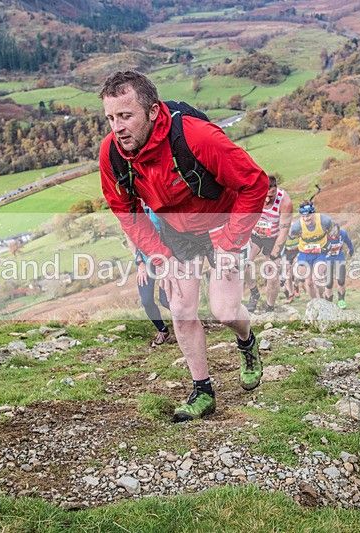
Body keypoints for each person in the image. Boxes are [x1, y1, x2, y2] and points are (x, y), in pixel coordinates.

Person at [99, 71, 268, 422]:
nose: (117, 127)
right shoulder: (112, 154)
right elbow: (124, 209)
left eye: (126, 116)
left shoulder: (197, 137)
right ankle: (202, 390)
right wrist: (158, 255)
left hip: (223, 223)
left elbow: (255, 183)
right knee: (181, 308)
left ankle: (247, 342)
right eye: (111, 118)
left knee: (224, 311)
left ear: (153, 112)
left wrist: (231, 240)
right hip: (176, 234)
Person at [244, 174, 293, 313]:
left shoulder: (285, 202)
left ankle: (270, 307)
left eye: (271, 196)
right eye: (265, 195)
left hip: (274, 238)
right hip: (255, 234)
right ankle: (254, 293)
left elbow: (284, 231)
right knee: (244, 264)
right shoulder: (253, 193)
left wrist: (274, 254)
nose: (266, 199)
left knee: (272, 274)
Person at [125, 206, 173, 347]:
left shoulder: (158, 205)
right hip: (146, 261)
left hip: (167, 256)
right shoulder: (132, 207)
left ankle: (187, 321)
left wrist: (163, 263)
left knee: (166, 300)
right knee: (146, 300)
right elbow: (130, 236)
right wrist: (139, 262)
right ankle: (163, 331)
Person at [289, 200, 332, 300]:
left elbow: (334, 231)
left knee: (317, 278)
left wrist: (328, 245)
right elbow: (290, 235)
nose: (305, 218)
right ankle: (314, 302)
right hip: (305, 254)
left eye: (308, 216)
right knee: (308, 282)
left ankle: (321, 297)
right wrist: (294, 237)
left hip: (320, 252)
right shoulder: (298, 225)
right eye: (303, 216)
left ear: (313, 213)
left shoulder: (324, 220)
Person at [322, 221, 354, 309]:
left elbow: (349, 242)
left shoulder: (343, 234)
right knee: (328, 283)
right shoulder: (323, 236)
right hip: (327, 260)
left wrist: (351, 250)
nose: (333, 237)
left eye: (335, 235)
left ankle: (341, 300)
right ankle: (329, 303)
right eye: (331, 235)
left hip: (339, 258)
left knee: (341, 280)